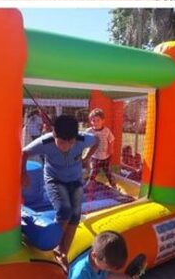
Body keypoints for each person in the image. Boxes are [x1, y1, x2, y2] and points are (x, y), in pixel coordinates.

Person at [22, 115, 98, 270]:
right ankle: (56, 245)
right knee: (64, 210)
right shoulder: (46, 142)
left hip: (75, 180)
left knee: (76, 215)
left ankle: (63, 251)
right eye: (62, 142)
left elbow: (97, 140)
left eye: (70, 142)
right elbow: (24, 153)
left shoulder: (82, 139)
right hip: (54, 179)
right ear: (54, 135)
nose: (66, 146)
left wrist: (87, 157)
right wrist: (23, 174)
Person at [87, 109, 117, 190]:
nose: (95, 123)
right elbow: (84, 139)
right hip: (95, 157)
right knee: (93, 173)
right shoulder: (89, 131)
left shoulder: (106, 130)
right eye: (93, 121)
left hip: (105, 157)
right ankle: (88, 186)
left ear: (103, 120)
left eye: (98, 120)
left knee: (108, 173)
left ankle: (114, 186)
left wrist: (111, 149)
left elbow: (112, 140)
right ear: (91, 121)